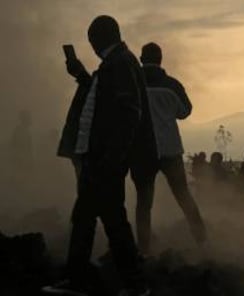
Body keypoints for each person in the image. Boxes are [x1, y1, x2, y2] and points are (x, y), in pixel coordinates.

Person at [43, 16, 149, 296]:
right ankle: (91, 280)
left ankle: (124, 284)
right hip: (101, 160)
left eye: (92, 40)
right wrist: (80, 74)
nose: (90, 46)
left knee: (103, 220)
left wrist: (110, 160)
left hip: (104, 161)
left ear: (100, 38)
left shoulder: (120, 64)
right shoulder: (117, 63)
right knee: (96, 219)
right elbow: (104, 98)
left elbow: (129, 114)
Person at [130, 42, 207, 254]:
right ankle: (202, 240)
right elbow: (184, 112)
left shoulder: (133, 84)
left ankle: (143, 249)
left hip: (142, 152)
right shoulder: (172, 85)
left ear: (141, 59)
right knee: (184, 196)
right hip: (170, 150)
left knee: (144, 204)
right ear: (160, 59)